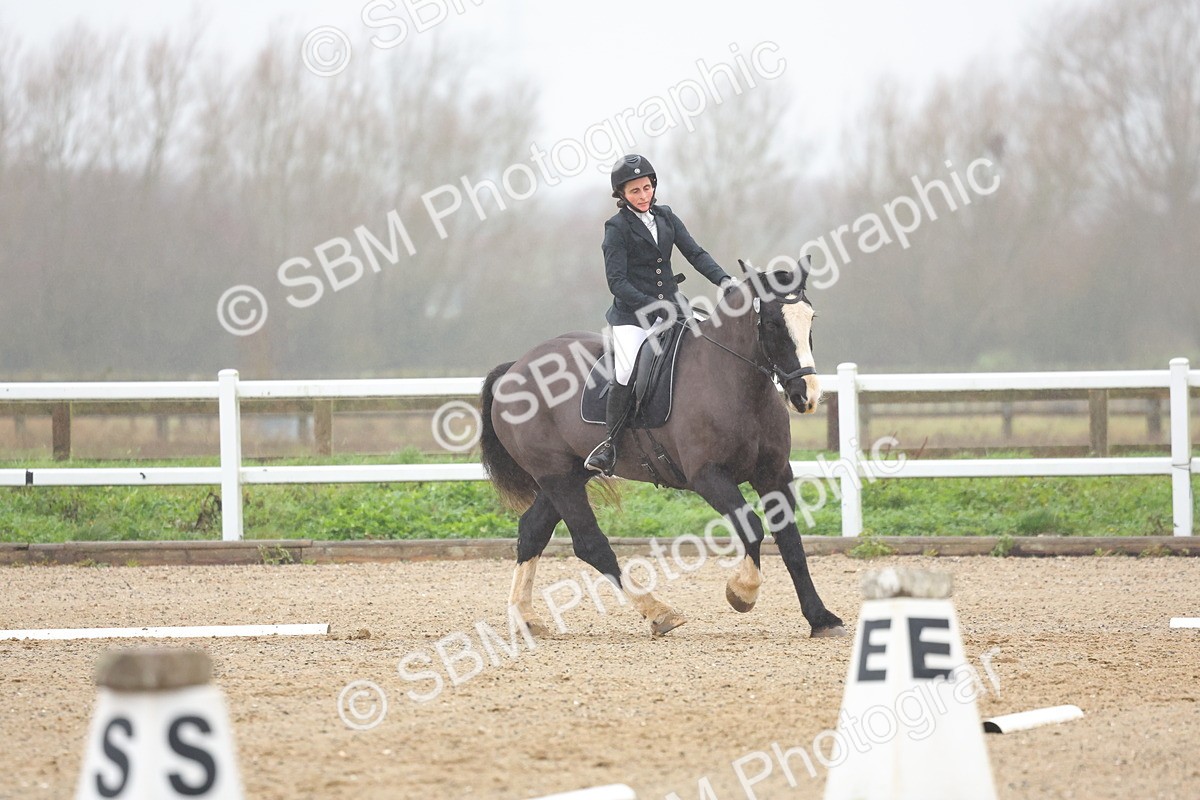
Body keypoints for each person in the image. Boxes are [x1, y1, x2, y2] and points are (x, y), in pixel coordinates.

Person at [584, 154, 737, 475]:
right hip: (632, 316)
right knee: (626, 371)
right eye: (635, 191)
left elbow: (695, 253)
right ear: (622, 195)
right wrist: (651, 305)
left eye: (647, 188)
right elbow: (617, 282)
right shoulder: (616, 228)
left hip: (674, 306)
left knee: (702, 354)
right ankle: (610, 445)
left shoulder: (666, 217)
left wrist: (723, 279)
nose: (643, 196)